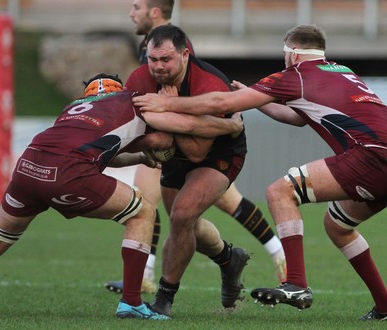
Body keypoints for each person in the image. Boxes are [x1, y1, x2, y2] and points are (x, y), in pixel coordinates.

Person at [133, 24, 387, 321]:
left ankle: (296, 283)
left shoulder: (296, 75)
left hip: (372, 155)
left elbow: (222, 102)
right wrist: (257, 100)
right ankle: (383, 305)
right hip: (379, 155)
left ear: (292, 54)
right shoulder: (340, 70)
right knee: (338, 225)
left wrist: (167, 103)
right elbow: (296, 118)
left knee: (280, 192)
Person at [0, 73, 244, 321]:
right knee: (143, 211)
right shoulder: (133, 99)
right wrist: (222, 124)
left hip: (27, 167)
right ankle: (132, 302)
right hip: (67, 173)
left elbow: (104, 152)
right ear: (119, 89)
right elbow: (164, 139)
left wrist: (140, 157)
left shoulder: (75, 106)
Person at [105, 0, 286, 296]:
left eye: (136, 6)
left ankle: (161, 292)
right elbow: (138, 124)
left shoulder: (194, 64)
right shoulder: (143, 66)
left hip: (217, 152)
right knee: (183, 219)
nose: (130, 13)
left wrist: (167, 111)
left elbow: (196, 147)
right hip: (178, 149)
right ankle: (229, 258)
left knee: (182, 213)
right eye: (154, 60)